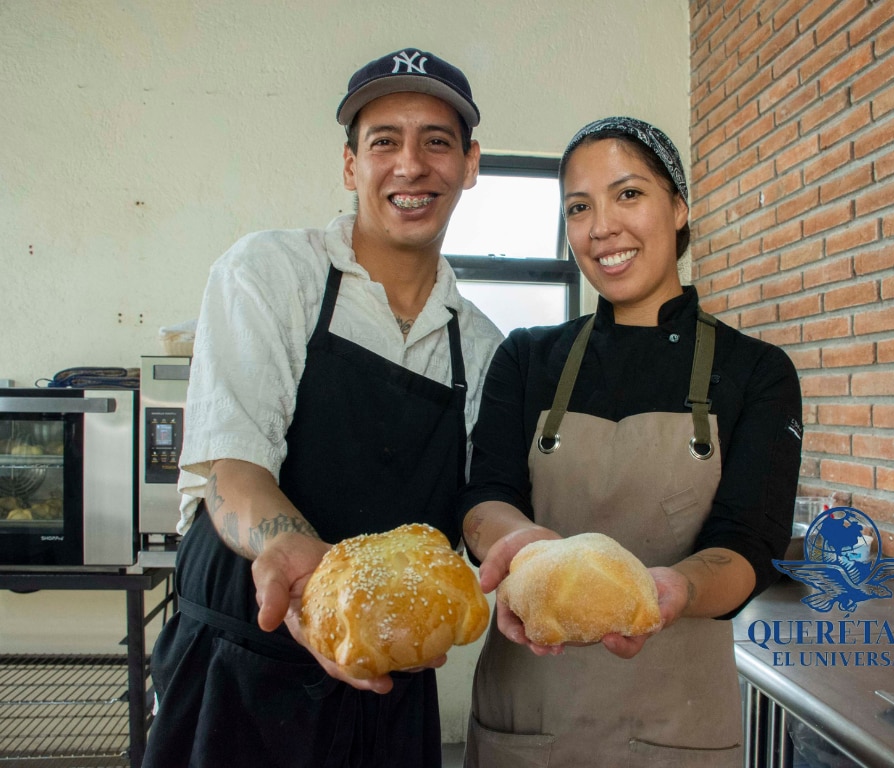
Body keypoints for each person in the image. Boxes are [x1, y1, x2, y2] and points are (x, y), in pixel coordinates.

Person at [142, 48, 503, 768]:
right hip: (240, 672)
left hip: (386, 688)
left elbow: (474, 504)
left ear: (470, 164)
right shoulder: (270, 274)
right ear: (350, 166)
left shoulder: (482, 345)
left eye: (437, 141)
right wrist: (293, 558)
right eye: (383, 142)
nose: (410, 165)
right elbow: (231, 468)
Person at [459, 117, 803, 767]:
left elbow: (748, 545)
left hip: (679, 729)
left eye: (628, 195)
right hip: (528, 722)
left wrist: (672, 591)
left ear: (677, 207)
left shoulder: (756, 371)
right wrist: (521, 546)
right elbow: (484, 496)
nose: (602, 227)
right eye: (579, 207)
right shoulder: (527, 358)